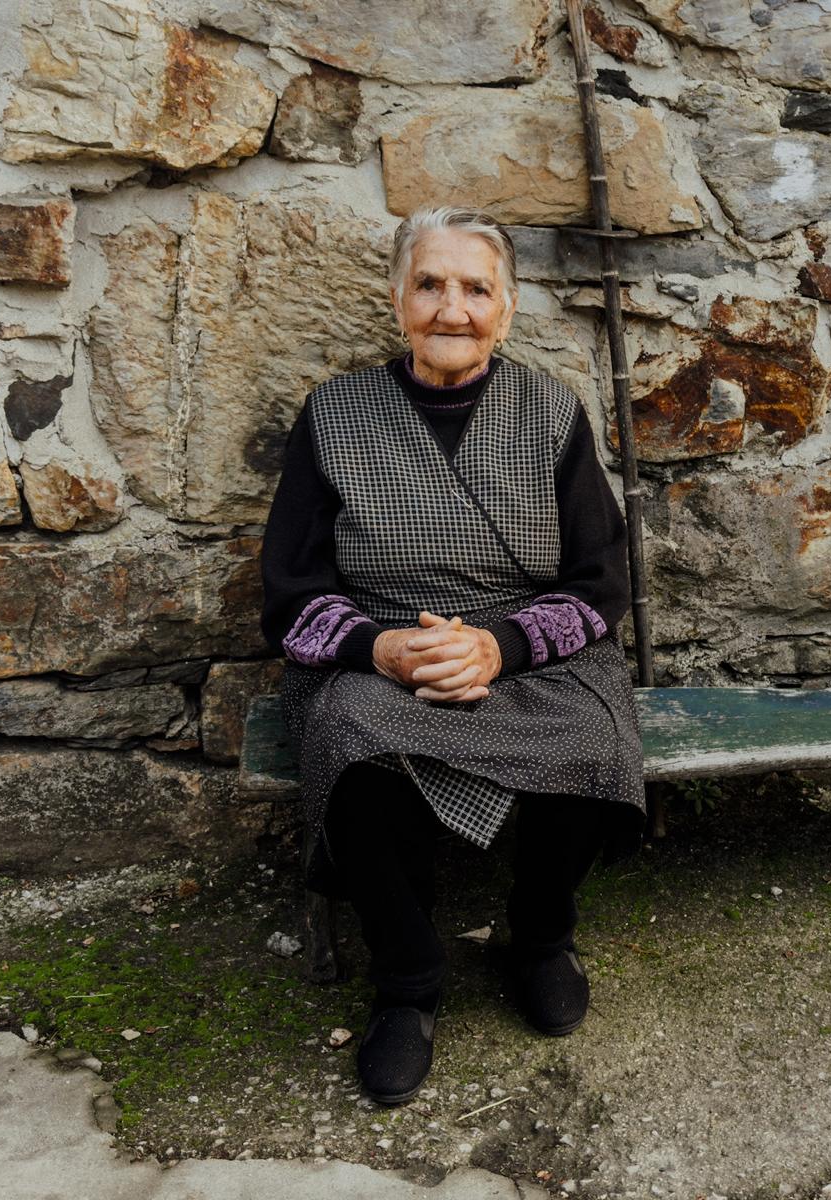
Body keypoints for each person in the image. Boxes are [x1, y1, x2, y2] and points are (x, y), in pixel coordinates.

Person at [259, 205, 644, 1106]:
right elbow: (289, 594)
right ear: (398, 299)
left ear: (505, 310)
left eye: (476, 289)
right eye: (430, 283)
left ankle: (541, 936)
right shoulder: (335, 413)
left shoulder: (550, 410)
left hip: (527, 649)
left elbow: (599, 583)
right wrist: (383, 649)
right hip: (381, 649)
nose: (452, 308)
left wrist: (500, 648)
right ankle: (409, 981)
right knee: (349, 736)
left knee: (596, 737)